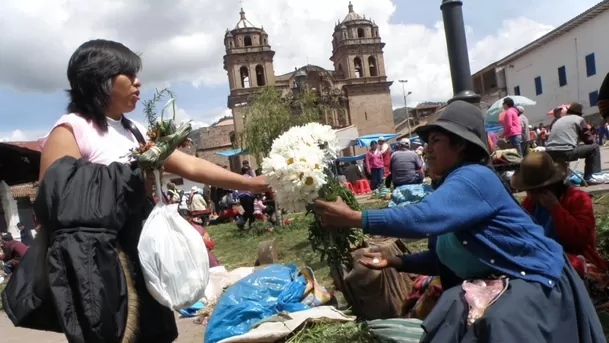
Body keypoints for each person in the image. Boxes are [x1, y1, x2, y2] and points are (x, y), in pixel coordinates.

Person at [35, 39, 268, 343]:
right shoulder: (70, 131)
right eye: (127, 75)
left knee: (157, 332)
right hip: (102, 264)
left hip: (143, 251)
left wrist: (253, 183)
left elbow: (190, 165)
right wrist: (131, 180)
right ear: (99, 79)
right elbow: (54, 203)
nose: (138, 82)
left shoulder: (133, 131)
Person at [314, 100, 604, 342]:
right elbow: (447, 257)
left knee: (500, 323)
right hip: (495, 282)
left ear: (461, 146)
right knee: (450, 308)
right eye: (426, 142)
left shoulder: (474, 178)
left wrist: (355, 218)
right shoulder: (448, 186)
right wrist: (395, 263)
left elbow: (423, 216)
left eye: (436, 140)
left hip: (534, 278)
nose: (426, 148)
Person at [511, 151, 607, 277]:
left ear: (549, 188)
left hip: (574, 260)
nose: (530, 196)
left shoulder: (577, 199)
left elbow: (582, 238)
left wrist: (555, 209)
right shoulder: (529, 204)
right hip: (541, 259)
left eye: (534, 191)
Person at [546, 102, 601, 184]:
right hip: (566, 152)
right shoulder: (579, 119)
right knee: (595, 147)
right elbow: (589, 140)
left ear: (568, 111)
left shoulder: (558, 120)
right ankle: (590, 177)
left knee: (564, 153)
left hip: (550, 153)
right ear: (579, 114)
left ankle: (559, 179)